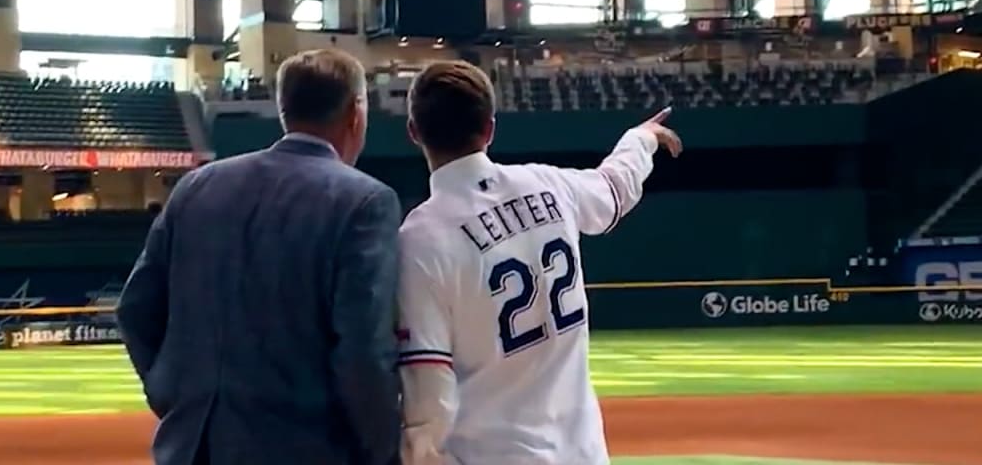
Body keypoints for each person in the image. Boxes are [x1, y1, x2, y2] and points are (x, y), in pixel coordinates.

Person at [117, 49, 402, 465]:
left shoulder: (198, 186)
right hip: (308, 449)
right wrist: (384, 452)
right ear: (355, 114)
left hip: (193, 446)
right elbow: (363, 349)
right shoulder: (365, 200)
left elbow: (135, 310)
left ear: (284, 110)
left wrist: (174, 394)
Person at [396, 60, 682, 465]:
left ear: (413, 132)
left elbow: (428, 391)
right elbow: (614, 186)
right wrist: (641, 139)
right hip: (583, 454)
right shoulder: (548, 183)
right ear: (490, 128)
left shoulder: (420, 240)